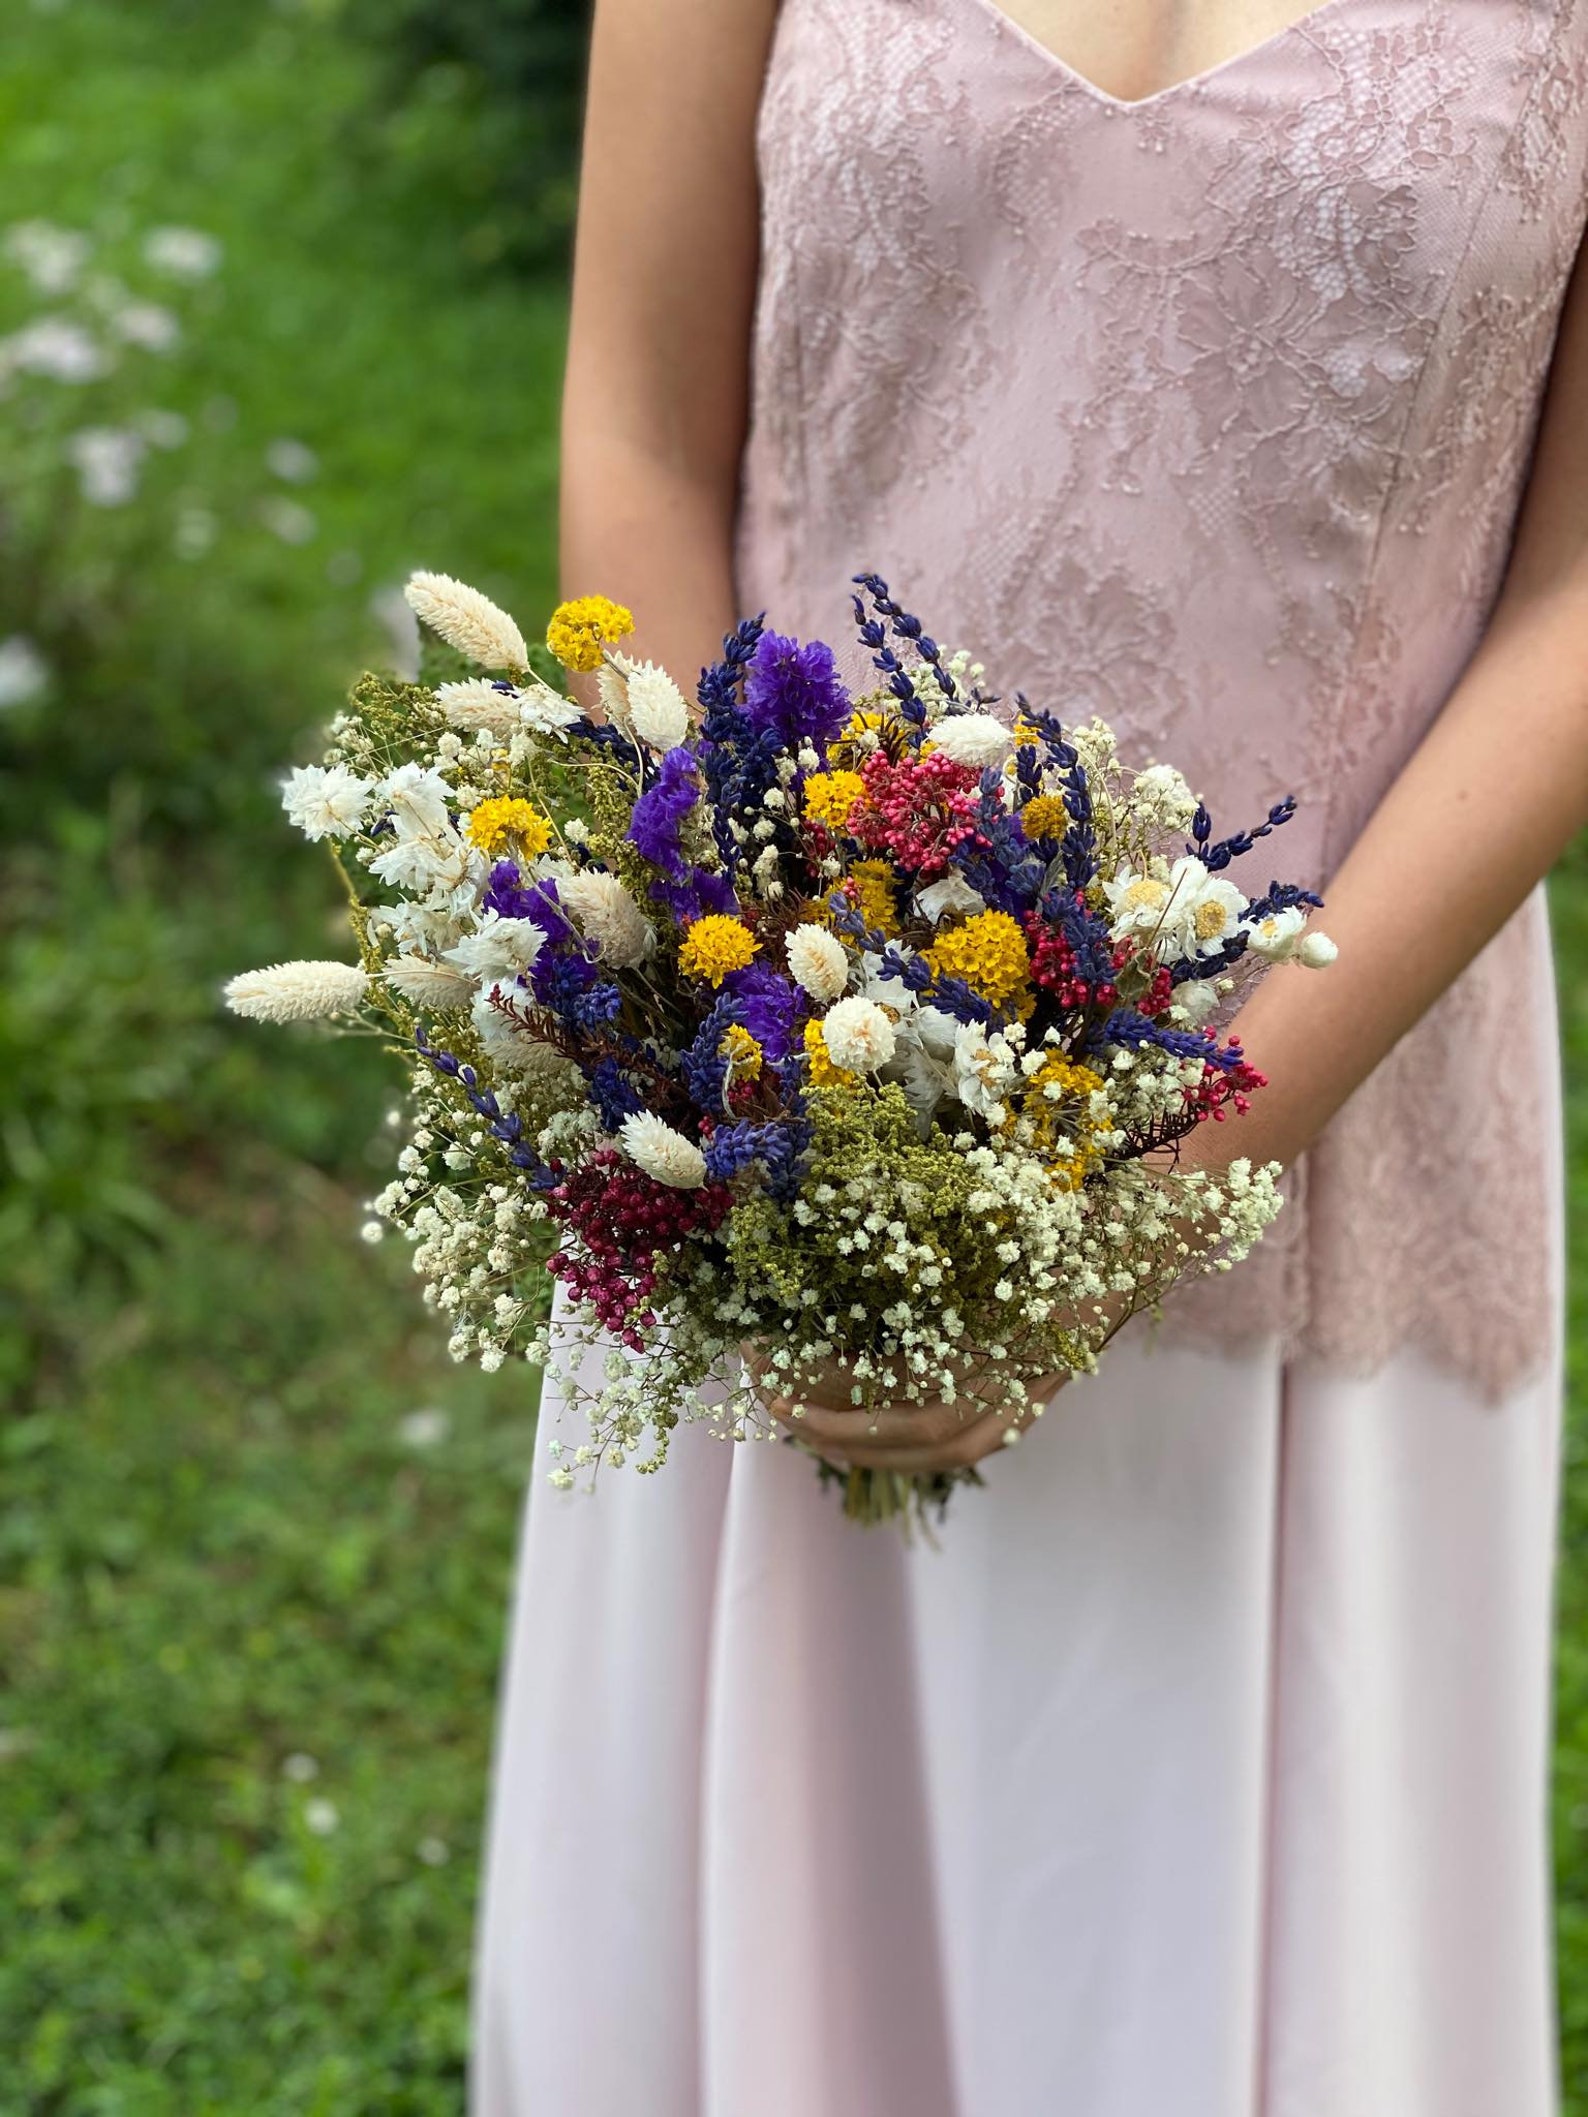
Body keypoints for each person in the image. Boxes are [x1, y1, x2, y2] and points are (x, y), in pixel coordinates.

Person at [472, 2, 1588, 2110]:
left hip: (1324, 1107)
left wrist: (1169, 1169)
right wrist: (757, 1071)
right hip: (776, 1090)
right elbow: (638, 424)